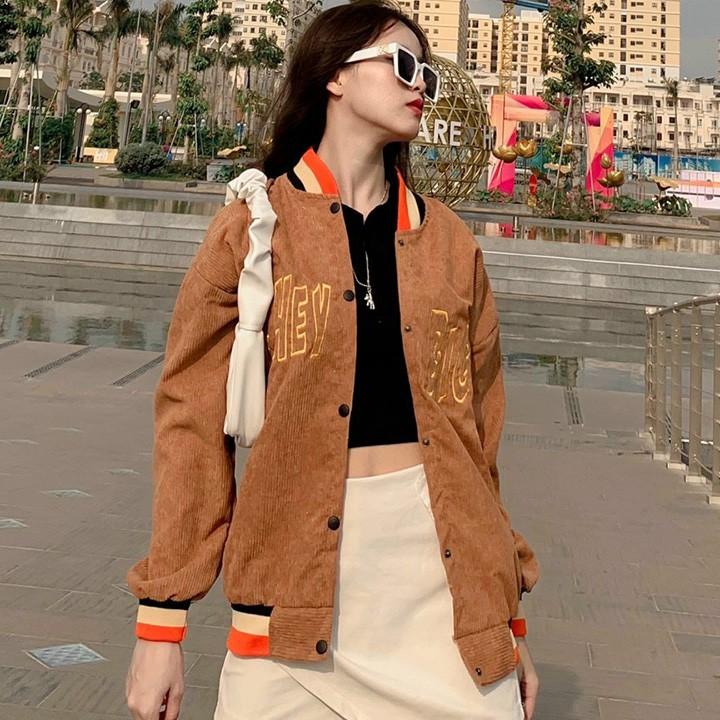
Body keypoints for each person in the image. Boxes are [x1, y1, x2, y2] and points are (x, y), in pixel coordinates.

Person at [125, 2, 540, 719]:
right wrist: (161, 622)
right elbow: (190, 425)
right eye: (402, 64)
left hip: (445, 601)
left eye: (428, 72)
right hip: (291, 597)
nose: (420, 84)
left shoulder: (451, 244)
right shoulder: (255, 228)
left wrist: (507, 622)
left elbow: (481, 442)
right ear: (334, 77)